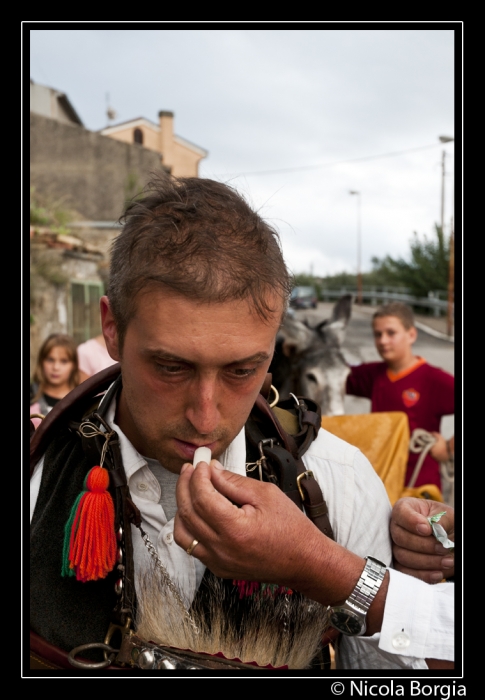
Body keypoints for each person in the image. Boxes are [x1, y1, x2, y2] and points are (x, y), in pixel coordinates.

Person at [30, 177, 451, 672]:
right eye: (171, 367)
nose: (206, 417)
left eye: (242, 371)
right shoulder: (36, 471)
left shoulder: (341, 481)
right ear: (112, 329)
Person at [345, 302, 454, 493]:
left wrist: (449, 448)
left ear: (411, 335)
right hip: (382, 479)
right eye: (378, 334)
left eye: (391, 333)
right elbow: (330, 375)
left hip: (419, 484)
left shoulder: (434, 379)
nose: (383, 341)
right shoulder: (372, 374)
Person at [30, 333, 80, 429]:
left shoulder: (81, 399)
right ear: (41, 361)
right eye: (50, 360)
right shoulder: (30, 394)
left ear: (74, 365)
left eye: (64, 361)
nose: (56, 367)